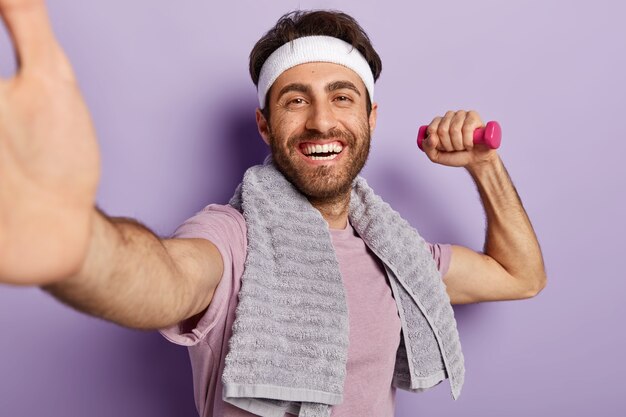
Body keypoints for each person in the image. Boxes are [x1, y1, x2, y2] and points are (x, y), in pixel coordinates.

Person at [0, 2, 546, 417]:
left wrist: (485, 164)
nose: (321, 121)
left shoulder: (395, 254)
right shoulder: (233, 239)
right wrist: (83, 245)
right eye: (295, 100)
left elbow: (520, 276)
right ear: (265, 125)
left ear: (371, 118)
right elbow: (166, 277)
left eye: (342, 97)